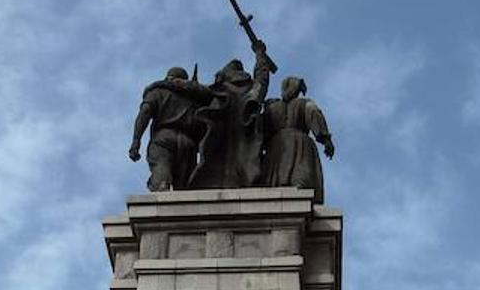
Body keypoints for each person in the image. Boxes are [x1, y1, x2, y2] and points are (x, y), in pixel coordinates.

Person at [189, 42, 274, 189]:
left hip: (217, 145)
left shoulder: (216, 91)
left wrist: (192, 84)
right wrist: (260, 55)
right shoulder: (250, 90)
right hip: (245, 144)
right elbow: (262, 79)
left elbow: (193, 92)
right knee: (243, 169)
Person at [129, 67, 212, 192]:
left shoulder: (158, 91)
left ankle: (161, 194)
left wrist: (136, 141)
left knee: (161, 181)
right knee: (184, 190)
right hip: (188, 144)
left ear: (168, 77)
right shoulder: (196, 97)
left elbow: (144, 113)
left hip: (163, 139)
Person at [261, 76, 336, 202]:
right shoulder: (305, 103)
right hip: (299, 142)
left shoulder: (271, 108)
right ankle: (299, 187)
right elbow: (314, 115)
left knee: (278, 175)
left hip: (277, 145)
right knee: (301, 171)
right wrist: (326, 139)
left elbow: (261, 131)